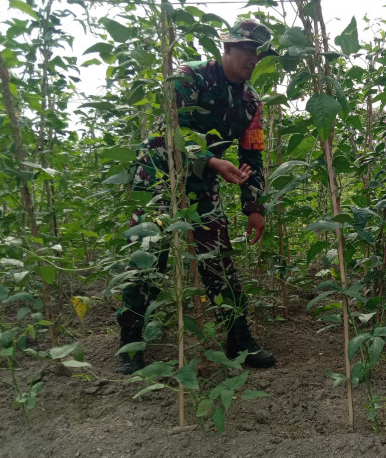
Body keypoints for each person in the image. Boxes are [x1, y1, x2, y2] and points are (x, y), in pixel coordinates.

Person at [114, 19, 276, 375]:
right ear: (228, 48)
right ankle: (130, 343)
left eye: (258, 53)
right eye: (247, 49)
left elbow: (252, 155)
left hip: (204, 184)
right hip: (160, 177)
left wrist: (254, 206)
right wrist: (212, 160)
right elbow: (172, 130)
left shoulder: (251, 103)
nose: (253, 59)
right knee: (148, 258)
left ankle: (239, 340)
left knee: (217, 260)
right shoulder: (190, 76)